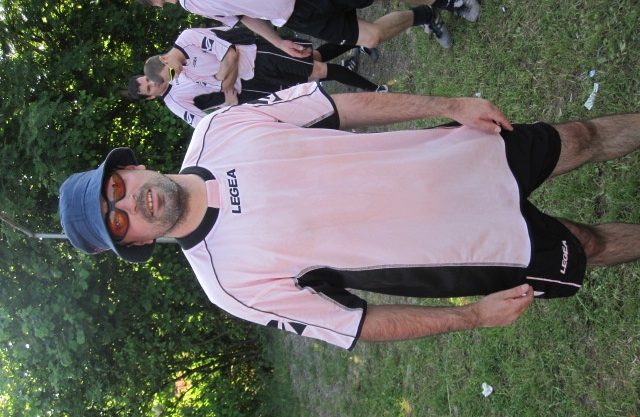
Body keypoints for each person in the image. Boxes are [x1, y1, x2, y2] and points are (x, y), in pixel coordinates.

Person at [59, 83, 640, 350]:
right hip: (478, 246)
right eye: (119, 222)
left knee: (582, 136)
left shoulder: (220, 127)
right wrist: (471, 317)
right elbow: (356, 323)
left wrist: (449, 105)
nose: (131, 203)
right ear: (136, 243)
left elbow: (340, 107)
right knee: (585, 243)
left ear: (131, 167)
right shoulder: (229, 285)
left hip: (458, 156)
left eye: (117, 189)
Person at [126, 0, 480, 53]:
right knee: (371, 38)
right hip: (296, 16)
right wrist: (278, 42)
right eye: (164, 2)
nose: (172, 0)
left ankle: (450, 2)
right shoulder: (192, 2)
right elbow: (244, 17)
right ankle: (426, 16)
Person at [129, 27, 387, 127]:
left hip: (256, 52)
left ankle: (376, 87)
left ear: (164, 59)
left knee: (316, 65)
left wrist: (224, 76)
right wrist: (227, 96)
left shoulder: (187, 40)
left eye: (169, 73)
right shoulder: (182, 81)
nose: (174, 77)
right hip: (252, 82)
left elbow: (230, 55)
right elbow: (209, 114)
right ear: (151, 97)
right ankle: (362, 49)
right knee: (315, 66)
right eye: (152, 87)